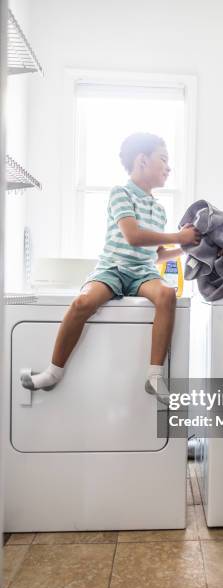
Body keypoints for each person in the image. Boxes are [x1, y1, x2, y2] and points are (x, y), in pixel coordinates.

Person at [21, 132, 200, 400]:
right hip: (113, 268)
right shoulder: (121, 193)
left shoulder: (160, 210)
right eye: (163, 159)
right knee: (83, 302)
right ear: (141, 161)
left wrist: (186, 247)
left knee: (166, 294)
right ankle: (53, 372)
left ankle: (154, 376)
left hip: (143, 273)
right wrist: (178, 236)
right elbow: (133, 236)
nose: (169, 167)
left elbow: (156, 253)